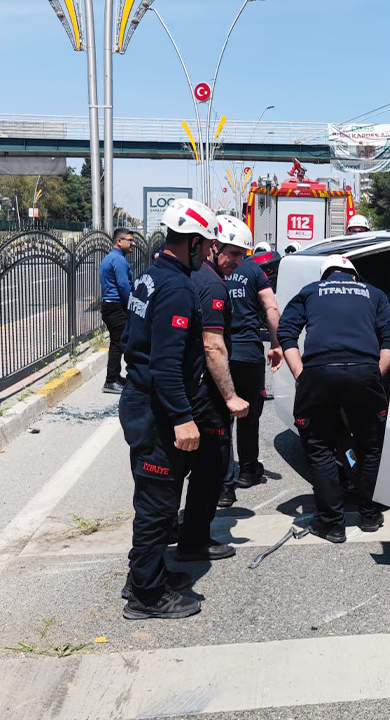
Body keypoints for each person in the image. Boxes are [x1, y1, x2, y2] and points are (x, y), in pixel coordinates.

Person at [118, 198, 218, 620]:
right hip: (158, 410)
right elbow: (165, 363)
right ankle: (146, 595)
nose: (209, 254)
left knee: (152, 498)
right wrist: (182, 417)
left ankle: (146, 572)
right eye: (207, 246)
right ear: (193, 243)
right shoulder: (177, 287)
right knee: (158, 505)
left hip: (142, 401)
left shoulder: (153, 275)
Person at [277, 256, 390, 543]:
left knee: (318, 446)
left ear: (325, 275)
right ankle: (368, 514)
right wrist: (373, 376)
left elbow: (286, 332)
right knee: (371, 446)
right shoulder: (375, 294)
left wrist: (300, 374)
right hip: (363, 372)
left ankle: (332, 523)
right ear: (354, 276)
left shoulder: (310, 290)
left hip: (319, 373)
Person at [179, 215, 253, 551]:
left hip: (187, 388)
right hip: (206, 395)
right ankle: (195, 539)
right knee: (211, 469)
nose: (237, 262)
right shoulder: (212, 285)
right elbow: (213, 345)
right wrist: (230, 396)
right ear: (214, 247)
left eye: (242, 255)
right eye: (232, 253)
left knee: (181, 469)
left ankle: (178, 529)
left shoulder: (194, 276)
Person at [216, 215, 283, 508]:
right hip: (249, 354)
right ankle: (248, 469)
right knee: (248, 416)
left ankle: (224, 485)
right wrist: (278, 344)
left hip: (221, 354)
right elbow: (271, 307)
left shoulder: (206, 272)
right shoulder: (254, 270)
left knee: (221, 420)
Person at [99, 227, 134, 394]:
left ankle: (115, 377)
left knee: (117, 342)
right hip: (116, 306)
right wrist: (131, 306)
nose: (132, 243)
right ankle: (111, 381)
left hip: (110, 305)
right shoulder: (119, 260)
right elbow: (123, 285)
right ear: (119, 242)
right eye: (130, 240)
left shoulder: (110, 258)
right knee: (119, 344)